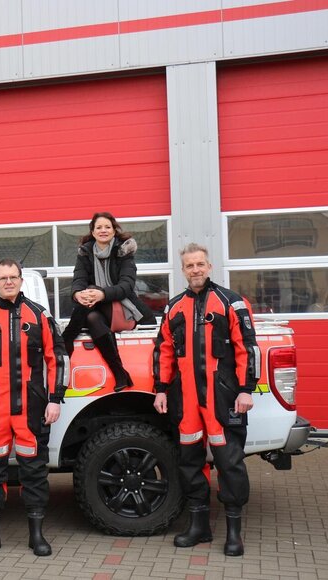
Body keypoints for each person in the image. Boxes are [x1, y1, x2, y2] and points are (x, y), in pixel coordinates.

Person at [152, 244, 259, 557]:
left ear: (209, 266)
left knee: (230, 463)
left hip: (223, 398)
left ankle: (234, 533)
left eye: (200, 264)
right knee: (189, 462)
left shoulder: (231, 302)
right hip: (186, 401)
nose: (195, 270)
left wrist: (246, 389)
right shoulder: (173, 308)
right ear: (183, 270)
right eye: (189, 265)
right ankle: (199, 527)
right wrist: (160, 389)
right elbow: (163, 351)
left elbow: (248, 348)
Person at [0, 259, 68, 557]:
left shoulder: (39, 315)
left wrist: (55, 398)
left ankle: (37, 536)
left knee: (34, 472)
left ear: (21, 280)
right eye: (2, 278)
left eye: (13, 277)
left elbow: (57, 358)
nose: (8, 282)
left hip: (32, 410)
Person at [61, 212, 156, 391]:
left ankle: (66, 340)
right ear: (93, 231)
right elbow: (78, 280)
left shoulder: (123, 252)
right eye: (99, 227)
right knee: (92, 317)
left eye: (107, 227)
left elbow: (126, 286)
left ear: (114, 231)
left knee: (93, 292)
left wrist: (101, 294)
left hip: (124, 307)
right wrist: (77, 294)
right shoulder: (86, 253)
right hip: (96, 309)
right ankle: (119, 372)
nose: (103, 230)